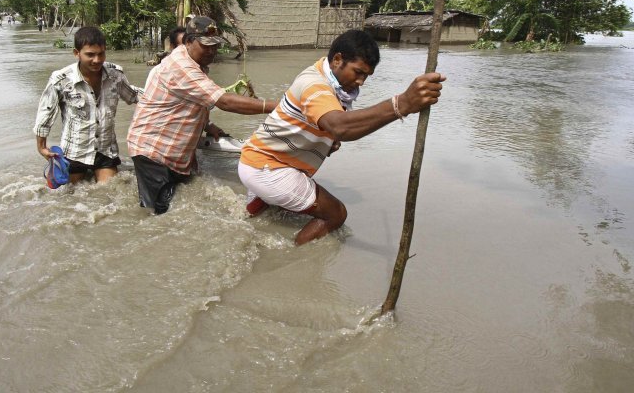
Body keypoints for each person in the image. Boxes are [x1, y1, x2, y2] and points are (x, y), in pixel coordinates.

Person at [238, 29, 446, 245]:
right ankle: (291, 256)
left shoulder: (328, 78)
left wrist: (327, 140)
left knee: (286, 202)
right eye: (358, 72)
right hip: (267, 168)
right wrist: (401, 104)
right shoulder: (314, 85)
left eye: (366, 76)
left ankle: (256, 207)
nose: (361, 82)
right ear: (337, 60)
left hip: (257, 158)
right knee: (336, 214)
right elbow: (340, 127)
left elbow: (331, 125)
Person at [127, 16, 278, 214]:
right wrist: (278, 106)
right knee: (158, 214)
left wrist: (207, 125)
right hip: (153, 150)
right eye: (205, 45)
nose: (212, 51)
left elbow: (189, 100)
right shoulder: (181, 67)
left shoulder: (193, 62)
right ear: (188, 42)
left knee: (178, 204)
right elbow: (224, 101)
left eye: (215, 46)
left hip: (174, 151)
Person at [34, 26, 139, 184]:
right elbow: (46, 112)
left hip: (105, 150)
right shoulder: (61, 79)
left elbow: (133, 95)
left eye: (101, 53)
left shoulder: (115, 75)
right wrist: (41, 147)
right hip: (75, 151)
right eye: (90, 55)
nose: (97, 60)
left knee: (109, 192)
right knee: (70, 196)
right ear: (77, 53)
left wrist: (167, 96)